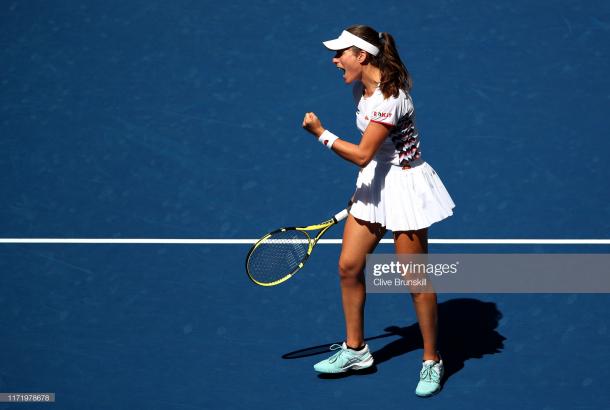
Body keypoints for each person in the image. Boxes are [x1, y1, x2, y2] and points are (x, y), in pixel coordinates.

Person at [301, 25, 455, 397]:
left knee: (414, 280)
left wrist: (321, 133)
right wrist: (368, 189)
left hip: (406, 187)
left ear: (362, 56)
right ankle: (356, 351)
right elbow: (371, 160)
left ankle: (432, 359)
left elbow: (361, 153)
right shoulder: (361, 89)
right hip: (377, 183)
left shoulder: (391, 98)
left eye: (341, 54)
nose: (335, 60)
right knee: (349, 267)